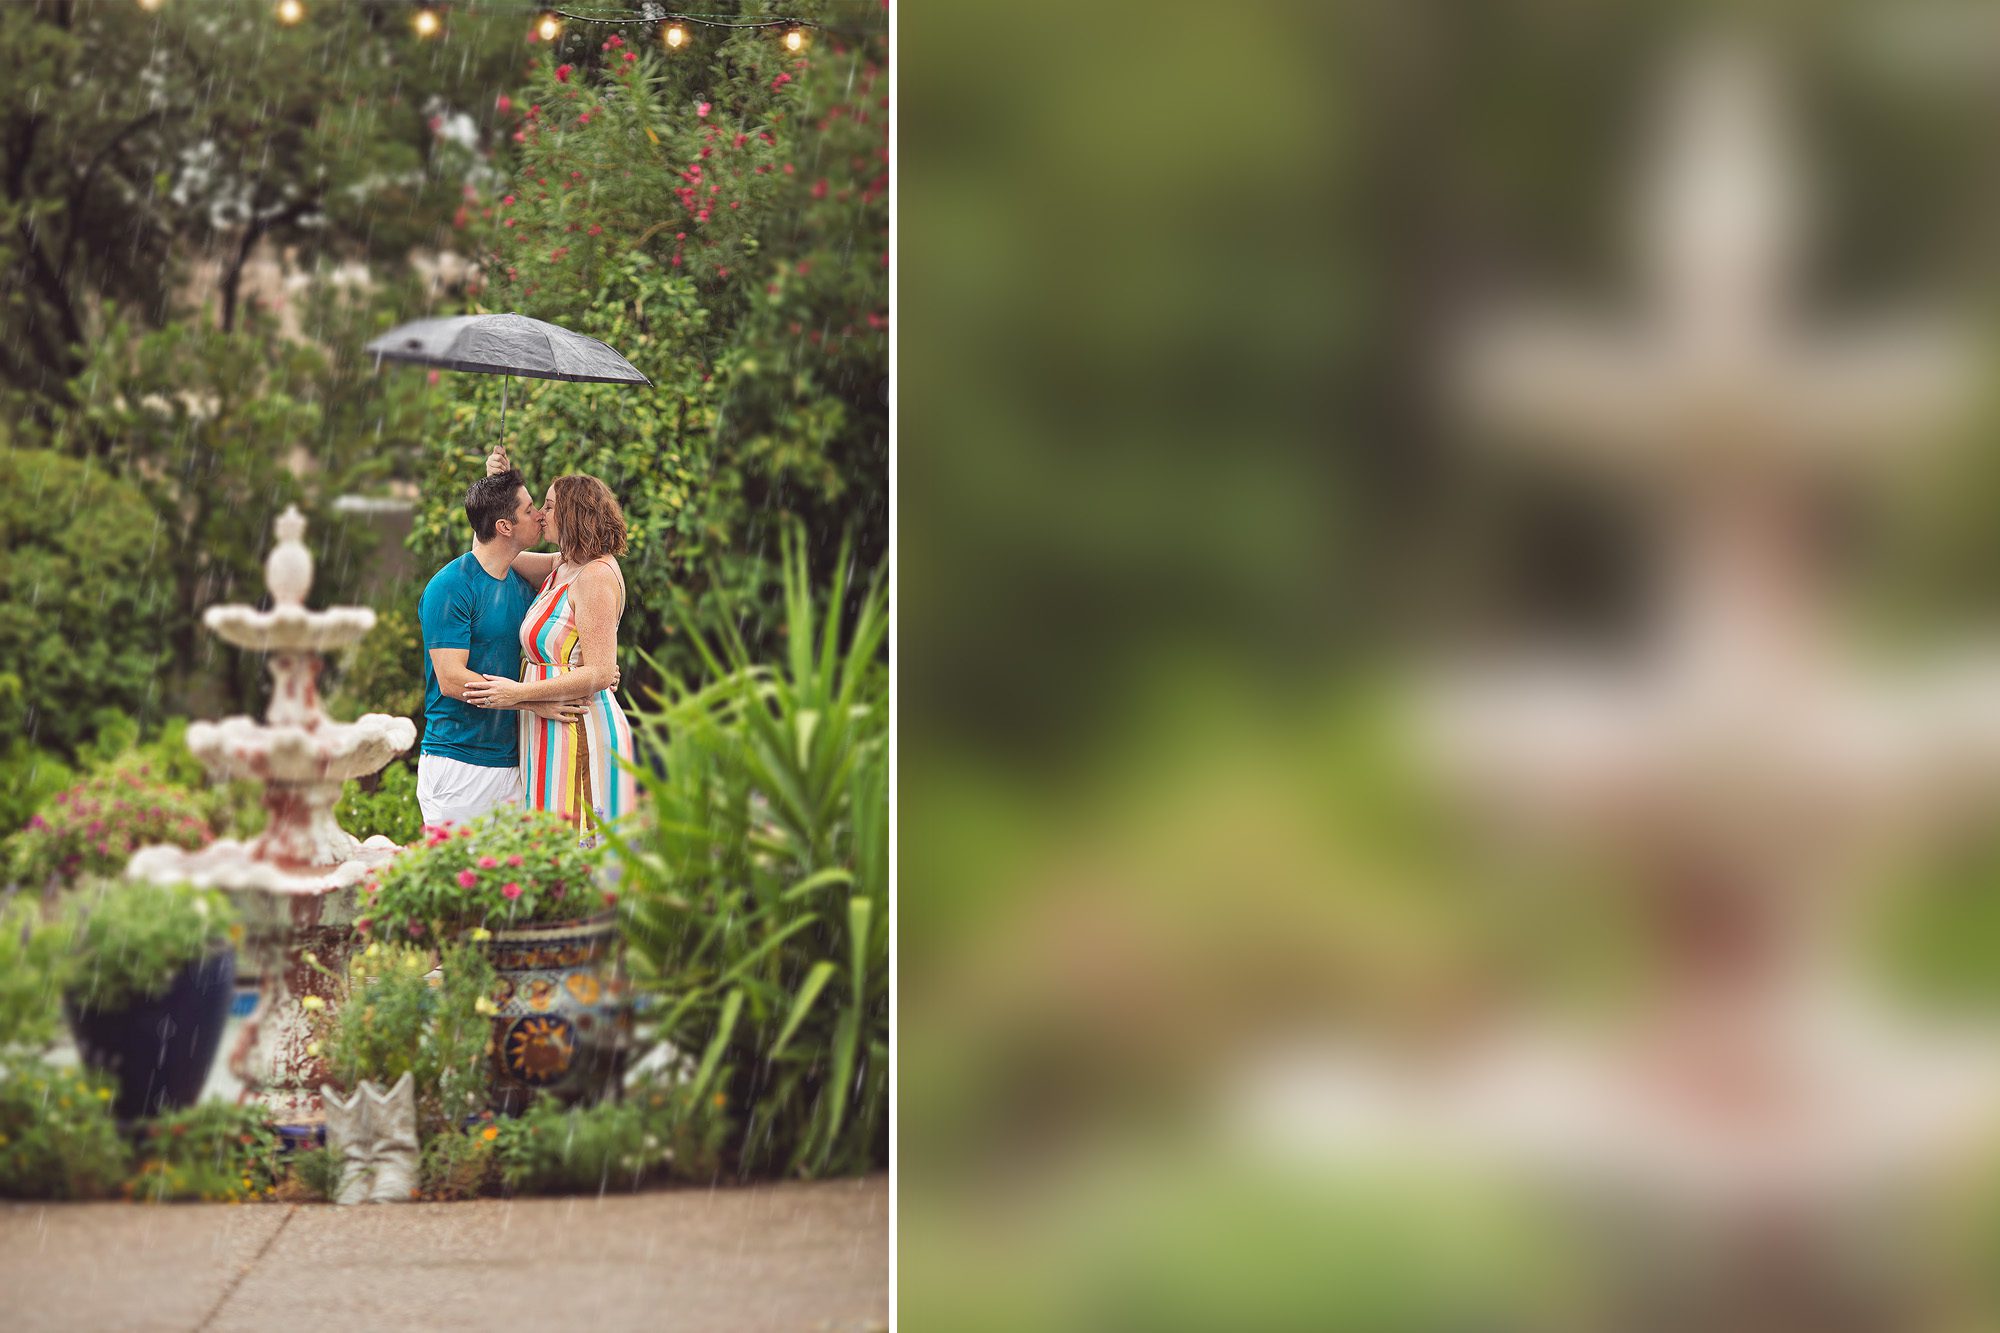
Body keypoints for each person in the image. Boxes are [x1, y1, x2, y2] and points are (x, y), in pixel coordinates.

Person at [463, 449, 639, 837]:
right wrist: (498, 489)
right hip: (547, 722)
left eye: (549, 506)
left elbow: (598, 672)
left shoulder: (594, 577)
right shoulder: (564, 564)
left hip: (578, 727)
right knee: (546, 846)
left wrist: (517, 694)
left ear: (575, 514)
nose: (540, 514)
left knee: (572, 846)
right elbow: (494, 551)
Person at [416, 467, 599, 827]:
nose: (540, 516)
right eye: (531, 509)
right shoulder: (449, 586)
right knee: (460, 880)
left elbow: (578, 574)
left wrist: (598, 665)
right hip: (457, 762)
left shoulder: (523, 585)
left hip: (513, 764)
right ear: (504, 527)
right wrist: (534, 701)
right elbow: (452, 680)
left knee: (511, 879)